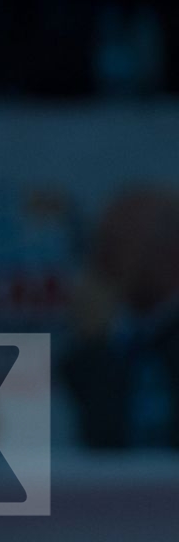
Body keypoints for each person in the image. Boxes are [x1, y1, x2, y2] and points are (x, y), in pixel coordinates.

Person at [63, 185, 179, 450]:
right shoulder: (103, 346)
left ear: (172, 248)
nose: (104, 258)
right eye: (101, 242)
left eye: (121, 241)